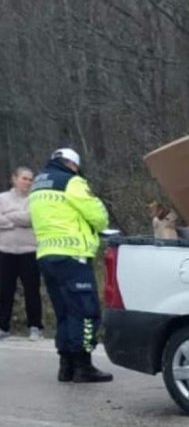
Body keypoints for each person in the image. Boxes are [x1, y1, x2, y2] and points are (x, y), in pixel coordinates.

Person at [29, 148, 113, 383]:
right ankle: (83, 365)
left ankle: (65, 366)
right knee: (86, 313)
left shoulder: (37, 186)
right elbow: (96, 215)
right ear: (72, 164)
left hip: (47, 255)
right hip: (73, 255)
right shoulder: (72, 182)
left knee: (64, 313)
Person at [0, 167, 43, 341]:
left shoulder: (36, 199)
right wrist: (18, 220)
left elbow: (33, 218)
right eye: (24, 178)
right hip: (5, 250)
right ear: (15, 179)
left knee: (32, 290)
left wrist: (8, 218)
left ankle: (35, 327)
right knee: (4, 290)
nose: (28, 182)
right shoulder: (2, 198)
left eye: (31, 179)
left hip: (29, 251)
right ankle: (3, 326)